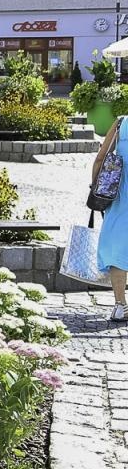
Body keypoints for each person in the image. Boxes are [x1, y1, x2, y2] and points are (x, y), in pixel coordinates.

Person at [92, 116, 128, 321]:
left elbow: (101, 157)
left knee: (116, 247)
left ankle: (120, 305)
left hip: (120, 196)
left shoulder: (122, 123)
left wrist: (94, 188)